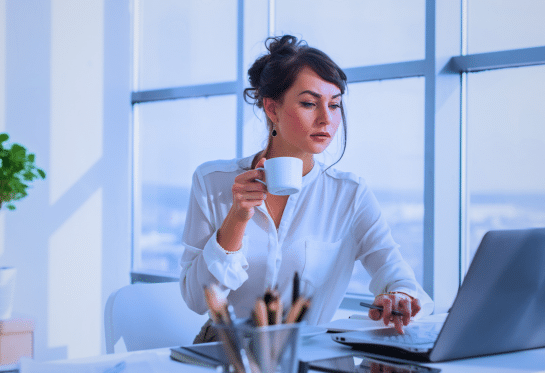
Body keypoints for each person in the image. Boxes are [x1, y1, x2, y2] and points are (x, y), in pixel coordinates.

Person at [180, 35, 434, 343]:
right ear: (272, 110)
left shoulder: (349, 195)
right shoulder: (213, 182)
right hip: (225, 353)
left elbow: (396, 273)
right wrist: (237, 218)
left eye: (335, 104)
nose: (326, 119)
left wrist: (399, 296)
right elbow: (196, 299)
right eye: (309, 103)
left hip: (309, 356)